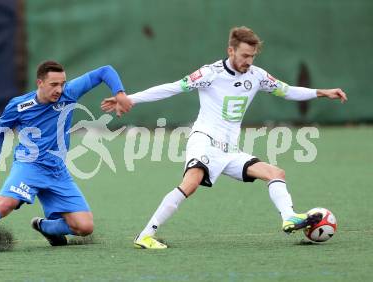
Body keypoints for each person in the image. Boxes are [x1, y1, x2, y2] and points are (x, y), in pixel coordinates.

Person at [101, 26, 348, 249]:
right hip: (204, 140)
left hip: (230, 151)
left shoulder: (257, 75)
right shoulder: (210, 73)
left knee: (276, 173)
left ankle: (288, 218)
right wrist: (130, 98)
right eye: (244, 56)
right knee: (192, 182)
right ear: (231, 50)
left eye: (252, 56)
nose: (248, 61)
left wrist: (322, 93)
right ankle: (145, 235)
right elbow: (172, 87)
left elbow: (287, 91)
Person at [0, 61, 132, 254]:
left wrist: (120, 94)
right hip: (29, 167)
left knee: (85, 227)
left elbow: (105, 71)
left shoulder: (68, 93)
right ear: (40, 83)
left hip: (57, 171)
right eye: (54, 84)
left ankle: (44, 226)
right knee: (5, 204)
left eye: (62, 83)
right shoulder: (19, 105)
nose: (59, 89)